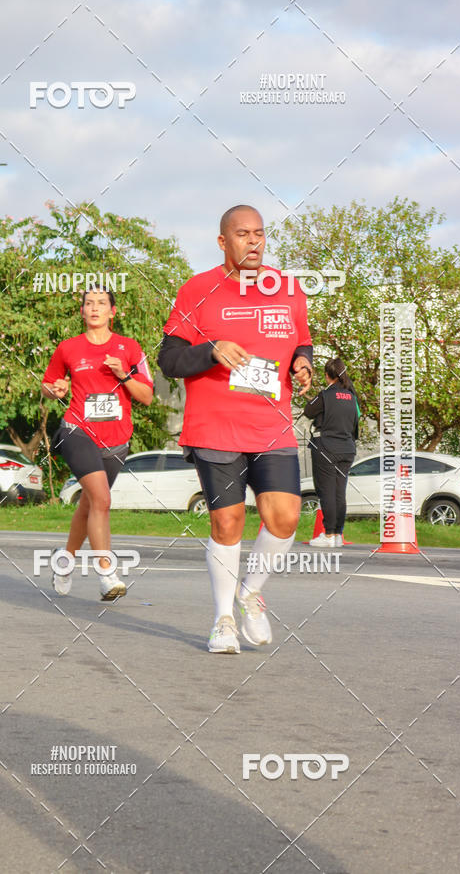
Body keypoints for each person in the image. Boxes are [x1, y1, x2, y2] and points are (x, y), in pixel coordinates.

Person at [158, 204, 313, 654]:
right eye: (243, 234)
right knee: (228, 523)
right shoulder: (197, 290)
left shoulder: (286, 287)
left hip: (271, 425)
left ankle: (250, 593)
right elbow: (169, 361)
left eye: (260, 233)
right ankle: (224, 618)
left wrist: (302, 362)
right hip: (215, 427)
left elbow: (299, 339)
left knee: (284, 518)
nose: (254, 241)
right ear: (223, 241)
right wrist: (210, 349)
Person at [41, 288, 153, 599]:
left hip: (116, 441)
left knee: (89, 504)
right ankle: (107, 573)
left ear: (112, 312)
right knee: (102, 500)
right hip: (78, 431)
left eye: (101, 304)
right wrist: (57, 389)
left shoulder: (129, 348)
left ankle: (64, 562)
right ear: (82, 312)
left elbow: (146, 396)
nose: (94, 309)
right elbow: (48, 385)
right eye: (88, 304)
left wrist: (123, 374)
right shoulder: (68, 348)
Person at [303, 358, 359, 548]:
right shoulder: (352, 397)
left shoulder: (326, 395)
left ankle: (327, 535)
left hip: (326, 447)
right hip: (347, 449)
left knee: (326, 491)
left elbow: (309, 411)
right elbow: (354, 425)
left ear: (328, 376)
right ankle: (336, 534)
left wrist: (310, 397)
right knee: (338, 492)